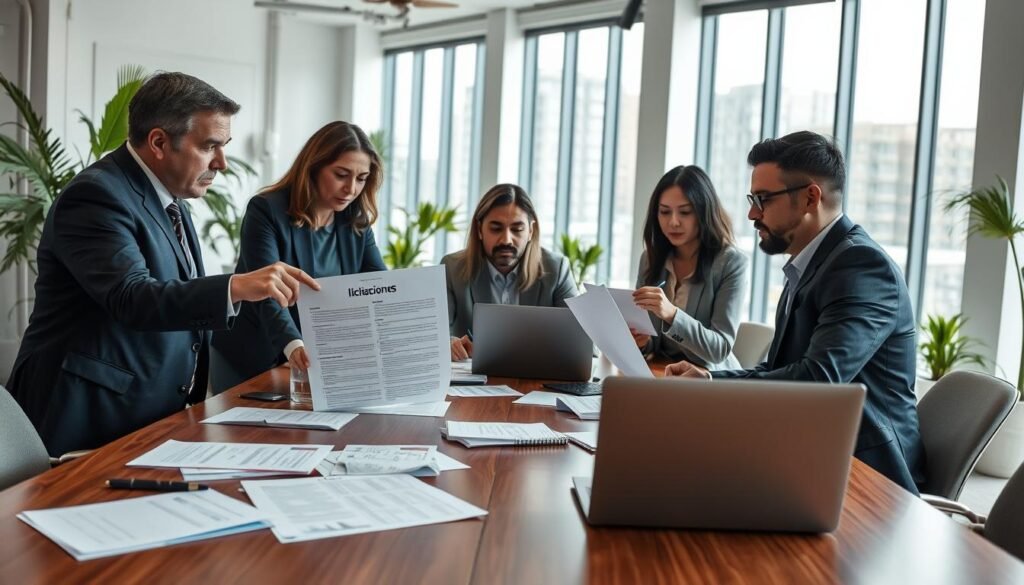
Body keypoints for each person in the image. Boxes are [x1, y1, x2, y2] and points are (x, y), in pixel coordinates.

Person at [6, 72, 319, 455]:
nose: (221, 162)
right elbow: (132, 297)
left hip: (149, 413)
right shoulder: (95, 195)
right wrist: (235, 285)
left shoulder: (174, 200)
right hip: (85, 414)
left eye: (225, 146)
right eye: (210, 146)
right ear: (158, 142)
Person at [664, 131, 925, 494]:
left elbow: (819, 380)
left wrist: (713, 385)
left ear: (810, 197)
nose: (752, 213)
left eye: (762, 199)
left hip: (869, 476)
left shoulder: (861, 267)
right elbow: (779, 369)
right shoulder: (811, 264)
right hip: (812, 447)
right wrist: (706, 380)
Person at [210, 121, 387, 393]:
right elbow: (268, 291)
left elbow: (380, 287)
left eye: (361, 178)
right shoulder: (267, 211)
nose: (351, 189)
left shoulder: (356, 222)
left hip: (323, 356)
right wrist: (294, 344)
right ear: (314, 167)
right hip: (255, 352)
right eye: (341, 174)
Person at [443, 184, 578, 360]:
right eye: (496, 228)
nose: (506, 239)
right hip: (473, 382)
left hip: (536, 381)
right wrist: (448, 342)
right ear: (479, 230)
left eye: (517, 229)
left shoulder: (557, 269)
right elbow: (432, 336)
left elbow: (580, 343)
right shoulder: (452, 269)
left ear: (531, 231)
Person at [631, 165, 747, 370]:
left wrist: (671, 314)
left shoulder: (730, 263)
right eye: (664, 212)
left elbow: (719, 349)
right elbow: (655, 343)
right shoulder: (650, 259)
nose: (673, 222)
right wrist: (643, 342)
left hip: (710, 381)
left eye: (685, 212)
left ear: (703, 212)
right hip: (663, 372)